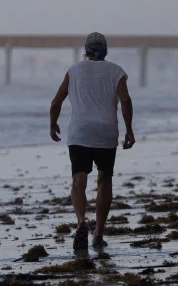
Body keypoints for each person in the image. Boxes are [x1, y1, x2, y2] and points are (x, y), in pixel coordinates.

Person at [49, 32, 135, 251]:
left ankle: (80, 222)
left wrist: (52, 124)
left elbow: (56, 101)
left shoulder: (74, 70)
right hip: (106, 133)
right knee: (104, 180)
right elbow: (125, 101)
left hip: (80, 133)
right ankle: (98, 234)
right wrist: (129, 130)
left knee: (79, 180)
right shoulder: (116, 71)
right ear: (105, 51)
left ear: (85, 51)